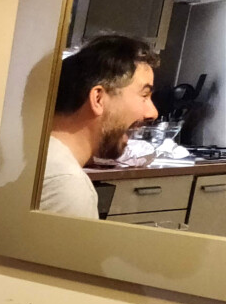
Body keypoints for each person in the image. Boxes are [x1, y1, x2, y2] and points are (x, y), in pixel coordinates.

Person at [41, 35, 160, 219]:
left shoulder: (36, 158)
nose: (152, 113)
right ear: (98, 98)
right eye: (144, 95)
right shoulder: (67, 186)